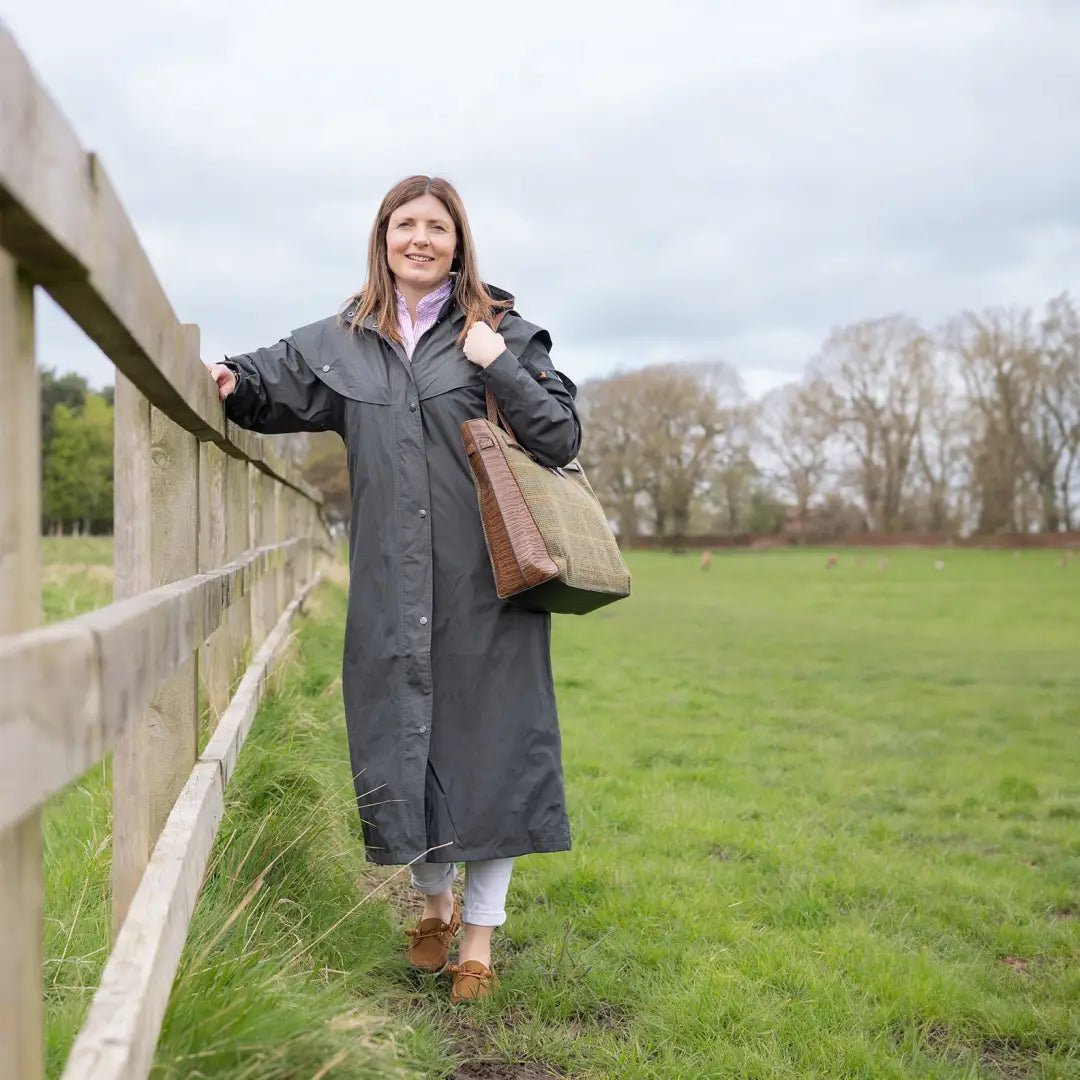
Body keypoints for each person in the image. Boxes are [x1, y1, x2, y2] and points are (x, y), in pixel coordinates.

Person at [208, 175, 581, 1004]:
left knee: (493, 757)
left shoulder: (500, 329)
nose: (421, 238)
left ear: (459, 241)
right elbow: (272, 381)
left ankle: (479, 942)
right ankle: (434, 907)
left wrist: (500, 367)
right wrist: (226, 377)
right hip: (387, 584)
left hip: (489, 586)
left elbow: (560, 434)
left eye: (437, 227)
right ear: (382, 239)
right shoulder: (345, 341)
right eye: (405, 224)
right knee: (398, 746)